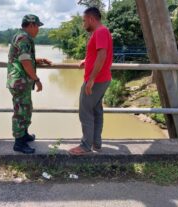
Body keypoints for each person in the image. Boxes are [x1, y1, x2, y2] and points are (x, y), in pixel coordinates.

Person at [69, 7, 113, 155]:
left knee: (85, 112)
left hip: (96, 80)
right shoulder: (102, 31)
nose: (83, 24)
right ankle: (96, 143)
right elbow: (97, 53)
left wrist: (91, 79)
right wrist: (86, 60)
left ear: (91, 19)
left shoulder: (100, 32)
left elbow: (102, 55)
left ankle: (85, 146)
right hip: (103, 79)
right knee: (96, 111)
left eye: (84, 20)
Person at [7, 14, 52, 154]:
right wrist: (37, 80)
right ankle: (19, 143)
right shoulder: (24, 38)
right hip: (20, 81)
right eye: (37, 26)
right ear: (31, 25)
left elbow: (22, 58)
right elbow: (25, 62)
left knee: (26, 108)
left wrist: (38, 60)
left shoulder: (20, 36)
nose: (38, 29)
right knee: (21, 111)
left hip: (20, 81)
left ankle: (24, 134)